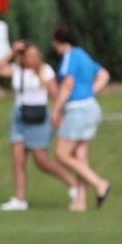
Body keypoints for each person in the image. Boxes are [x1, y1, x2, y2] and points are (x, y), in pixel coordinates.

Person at [0, 38, 77, 211]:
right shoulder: (17, 70)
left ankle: (73, 185)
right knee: (18, 160)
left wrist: (58, 113)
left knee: (41, 161)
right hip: (20, 117)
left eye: (35, 55)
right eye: (29, 56)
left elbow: (55, 94)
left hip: (39, 118)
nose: (33, 59)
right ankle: (19, 199)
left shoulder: (45, 71)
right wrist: (12, 52)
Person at [49, 26, 112, 212]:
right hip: (91, 107)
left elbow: (68, 84)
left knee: (61, 154)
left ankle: (99, 183)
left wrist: (56, 109)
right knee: (80, 157)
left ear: (59, 41)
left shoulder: (69, 57)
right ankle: (80, 201)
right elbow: (104, 75)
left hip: (77, 110)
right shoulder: (83, 55)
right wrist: (90, 93)